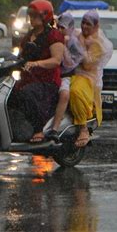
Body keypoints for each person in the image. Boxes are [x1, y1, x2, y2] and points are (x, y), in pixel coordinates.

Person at [12, 0, 64, 143]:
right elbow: (19, 55)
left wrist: (36, 64)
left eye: (35, 16)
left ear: (44, 17)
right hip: (28, 79)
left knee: (27, 94)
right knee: (10, 94)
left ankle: (38, 129)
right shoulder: (28, 36)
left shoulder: (53, 36)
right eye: (31, 15)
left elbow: (56, 60)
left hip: (47, 82)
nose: (32, 19)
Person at [70, 10, 113, 147]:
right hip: (70, 72)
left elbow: (88, 64)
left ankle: (83, 128)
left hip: (86, 77)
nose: (84, 27)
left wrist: (81, 45)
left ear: (96, 26)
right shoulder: (76, 35)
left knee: (75, 92)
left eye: (88, 24)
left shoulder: (99, 44)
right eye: (83, 23)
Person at [45, 13, 86, 141]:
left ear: (70, 28)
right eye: (59, 27)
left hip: (64, 76)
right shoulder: (51, 37)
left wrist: (64, 47)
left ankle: (55, 128)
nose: (61, 30)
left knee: (64, 95)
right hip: (49, 74)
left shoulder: (73, 43)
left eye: (63, 28)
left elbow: (70, 63)